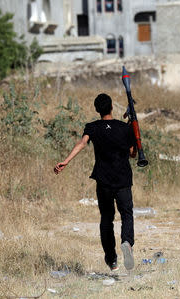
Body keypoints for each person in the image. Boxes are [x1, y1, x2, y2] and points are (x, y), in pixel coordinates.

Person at [54, 93, 137, 272]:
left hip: (103, 180)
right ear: (112, 107)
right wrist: (133, 134)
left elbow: (82, 144)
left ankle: (112, 259)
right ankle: (127, 242)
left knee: (106, 219)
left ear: (97, 110)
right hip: (122, 179)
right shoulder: (124, 128)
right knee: (127, 214)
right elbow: (132, 153)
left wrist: (66, 161)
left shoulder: (92, 127)